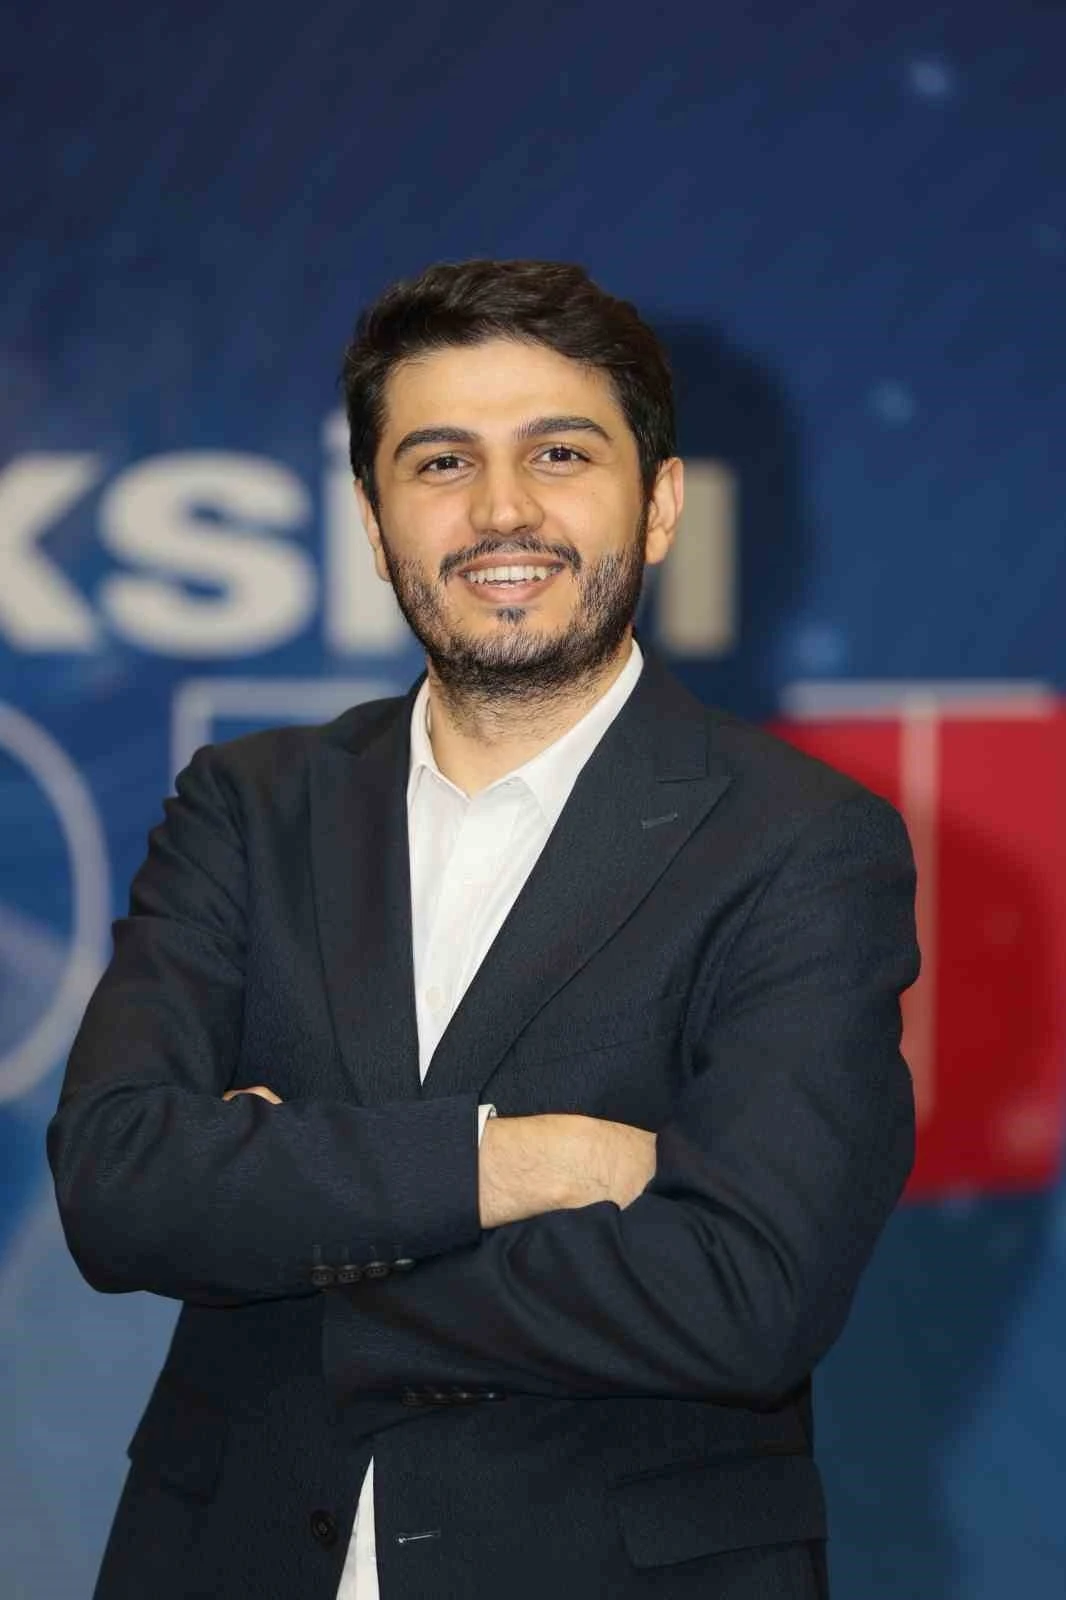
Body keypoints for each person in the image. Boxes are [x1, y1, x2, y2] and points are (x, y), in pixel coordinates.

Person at [48, 259, 919, 1600]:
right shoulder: (249, 806)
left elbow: (745, 1293)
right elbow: (119, 1187)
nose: (502, 510)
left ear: (661, 503)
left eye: (559, 453)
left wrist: (286, 1234)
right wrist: (510, 1164)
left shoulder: (800, 842)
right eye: (442, 461)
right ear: (370, 517)